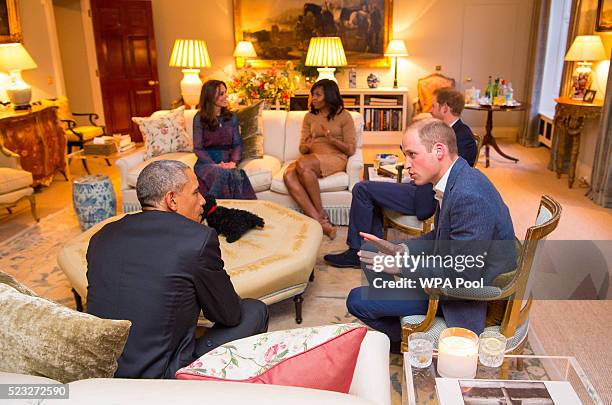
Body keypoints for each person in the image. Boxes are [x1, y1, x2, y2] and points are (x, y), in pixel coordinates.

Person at [86, 160, 269, 378]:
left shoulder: (102, 236)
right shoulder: (197, 239)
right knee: (254, 310)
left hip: (104, 372)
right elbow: (228, 314)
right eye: (195, 192)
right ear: (172, 199)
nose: (202, 201)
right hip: (159, 378)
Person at [345, 118, 515, 352]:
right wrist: (400, 249)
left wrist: (402, 266)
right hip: (453, 270)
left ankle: (407, 339)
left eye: (412, 155)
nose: (407, 164)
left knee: (356, 300)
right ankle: (401, 316)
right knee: (372, 251)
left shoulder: (468, 196)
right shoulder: (456, 178)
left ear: (439, 150)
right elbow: (440, 237)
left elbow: (462, 277)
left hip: (466, 296)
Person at [324, 87, 477, 268]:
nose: (430, 109)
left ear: (445, 107)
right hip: (417, 187)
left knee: (362, 189)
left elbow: (453, 176)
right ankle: (370, 250)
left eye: (434, 105)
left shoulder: (463, 137)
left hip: (425, 194)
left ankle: (357, 252)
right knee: (369, 188)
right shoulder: (441, 130)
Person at [283, 79, 356, 239]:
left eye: (317, 95)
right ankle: (320, 221)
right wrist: (307, 145)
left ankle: (320, 213)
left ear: (329, 96)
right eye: (312, 95)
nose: (313, 98)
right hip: (311, 158)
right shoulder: (309, 117)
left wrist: (332, 140)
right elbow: (302, 149)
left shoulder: (344, 117)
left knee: (302, 164)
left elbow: (351, 150)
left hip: (335, 157)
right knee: (288, 175)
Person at [193, 79, 256, 199]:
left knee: (238, 174)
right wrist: (214, 165)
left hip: (227, 161)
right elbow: (198, 148)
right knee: (223, 174)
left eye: (225, 92)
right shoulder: (199, 118)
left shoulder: (231, 117)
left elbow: (237, 144)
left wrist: (233, 162)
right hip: (207, 163)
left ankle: (245, 210)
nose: (225, 96)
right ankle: (219, 211)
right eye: (221, 94)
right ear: (210, 96)